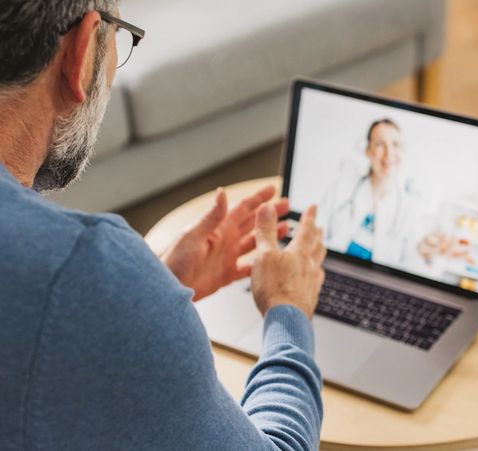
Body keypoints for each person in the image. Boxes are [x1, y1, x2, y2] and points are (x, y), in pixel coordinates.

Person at [0, 1, 326, 450]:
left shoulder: (75, 285)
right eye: (115, 37)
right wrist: (289, 310)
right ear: (79, 54)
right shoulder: (83, 274)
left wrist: (148, 285)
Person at [318, 118, 420, 268]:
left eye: (396, 145)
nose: (389, 153)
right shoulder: (341, 188)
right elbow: (316, 236)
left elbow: (412, 264)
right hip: (332, 269)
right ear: (368, 150)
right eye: (380, 144)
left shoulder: (410, 209)